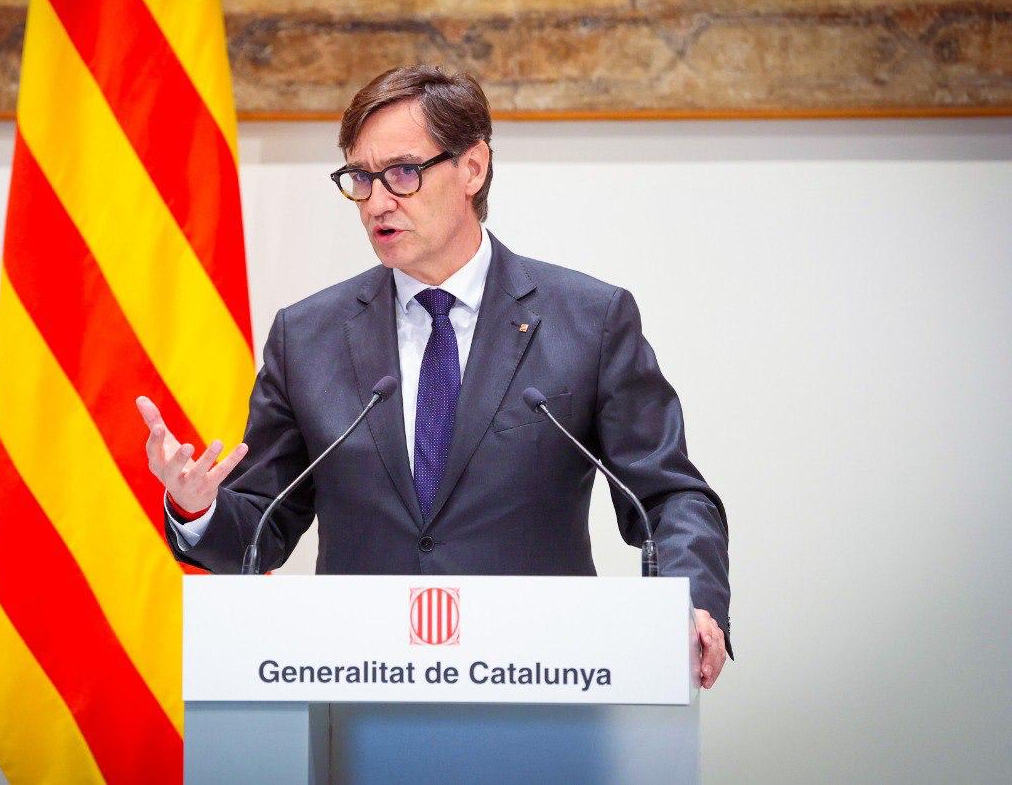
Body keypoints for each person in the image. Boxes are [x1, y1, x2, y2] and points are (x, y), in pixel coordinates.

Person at [135, 65, 731, 687]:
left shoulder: (588, 320)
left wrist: (688, 600)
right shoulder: (307, 336)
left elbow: (669, 495)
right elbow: (264, 528)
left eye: (401, 172)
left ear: (472, 168)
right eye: (360, 178)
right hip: (357, 682)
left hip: (543, 677)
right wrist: (198, 508)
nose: (378, 202)